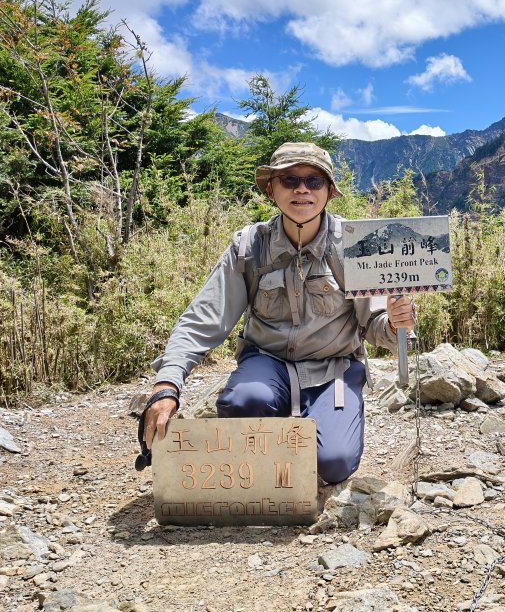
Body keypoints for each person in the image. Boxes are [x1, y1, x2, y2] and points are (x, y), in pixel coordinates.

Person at [141, 142, 416, 484]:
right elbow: (204, 318)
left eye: (314, 181)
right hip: (266, 362)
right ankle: (276, 433)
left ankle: (308, 426)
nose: (302, 189)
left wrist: (394, 321)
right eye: (289, 180)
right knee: (244, 404)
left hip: (334, 367)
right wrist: (167, 383)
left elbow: (375, 325)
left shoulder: (355, 246)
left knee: (335, 462)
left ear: (330, 191)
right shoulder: (249, 246)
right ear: (271, 189)